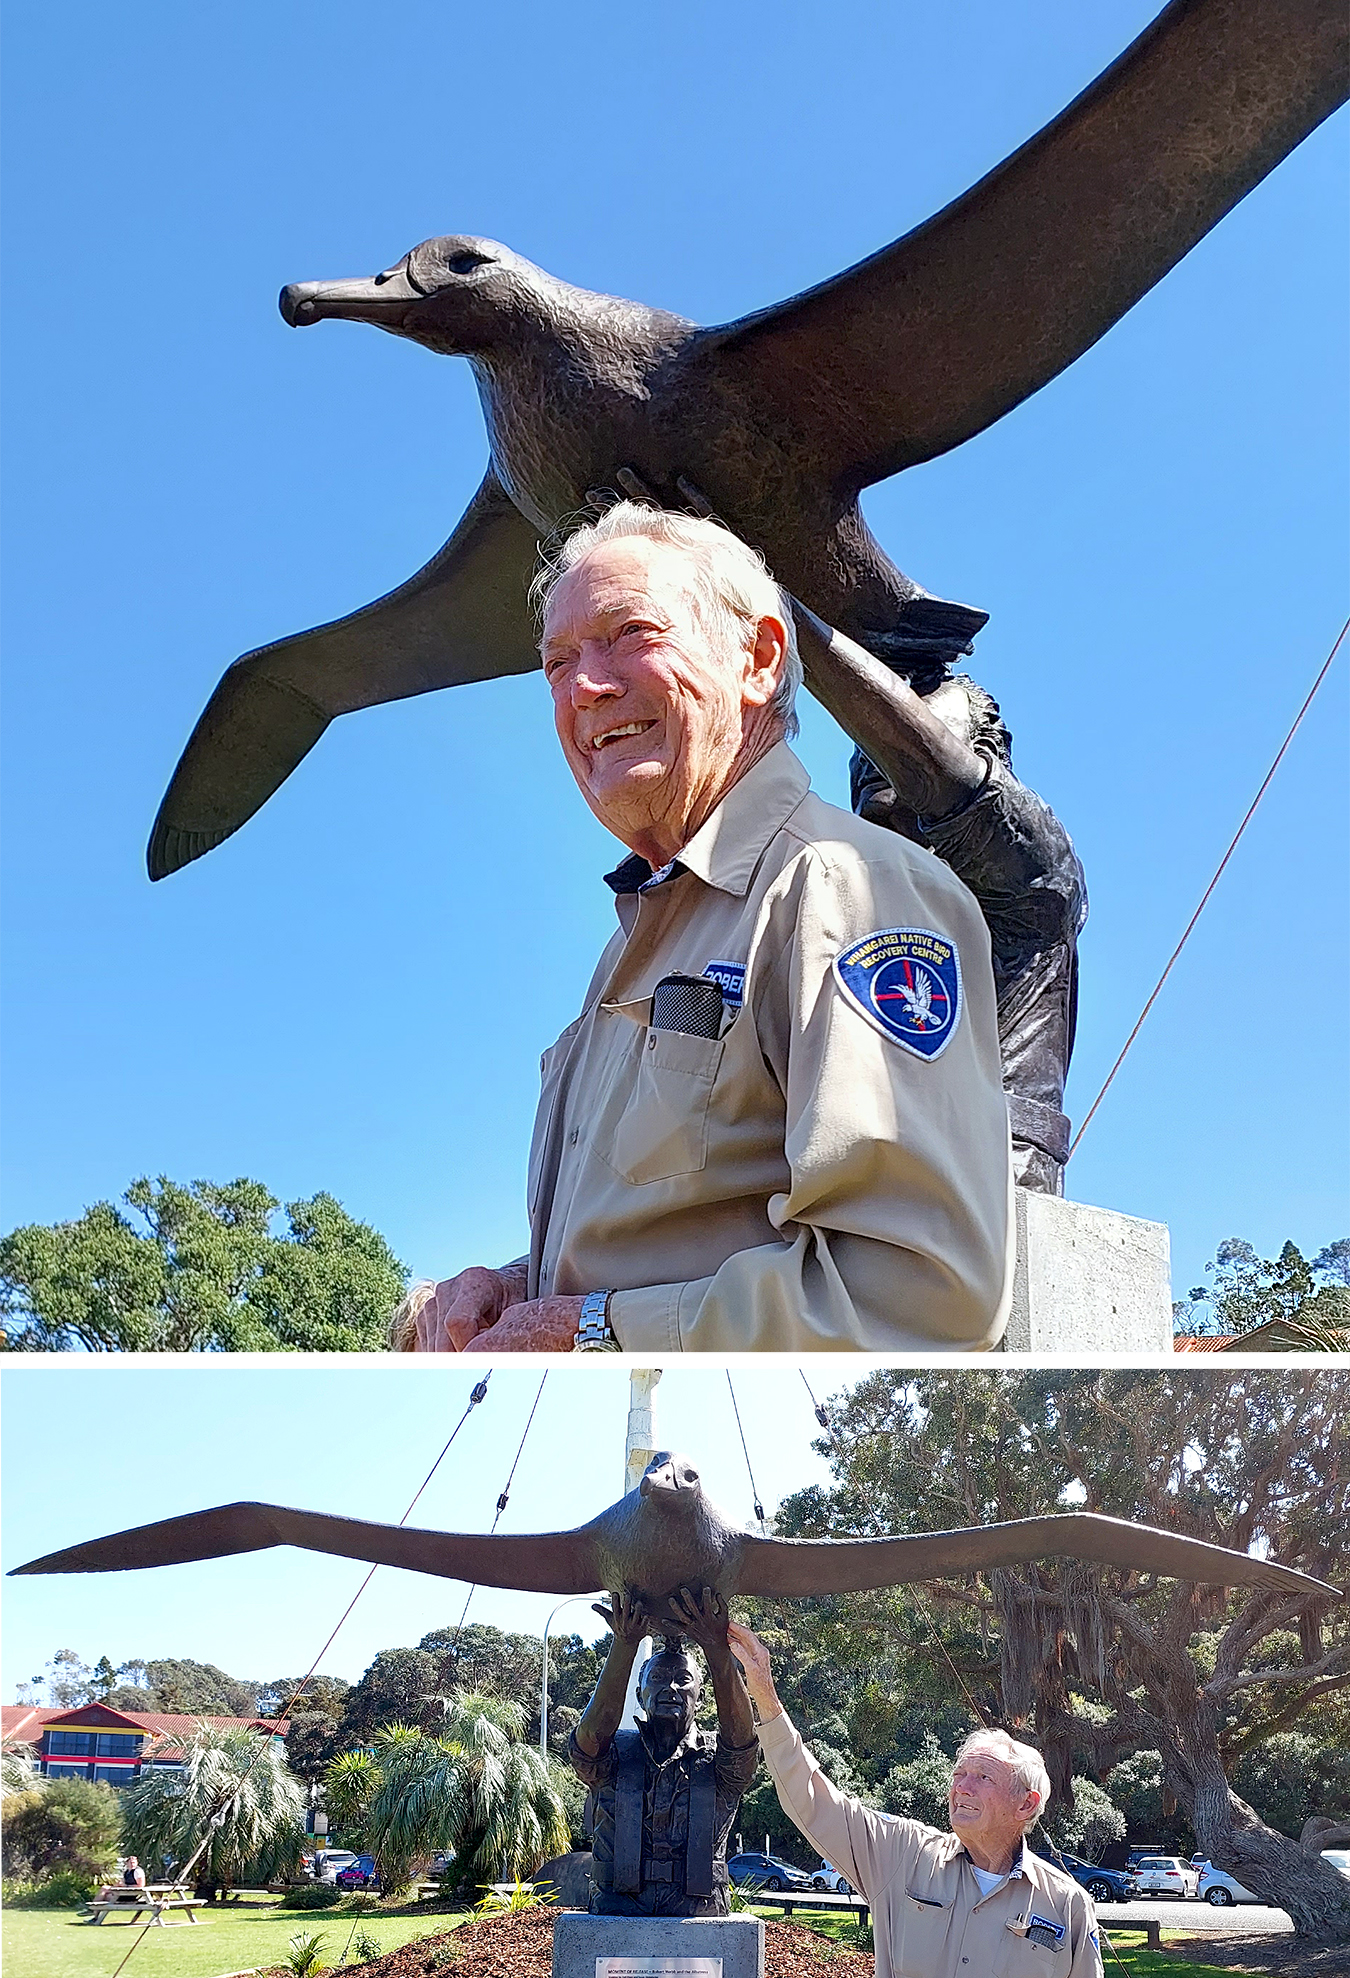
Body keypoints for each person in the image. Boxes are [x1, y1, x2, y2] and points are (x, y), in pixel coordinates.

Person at [405, 501, 1013, 1352]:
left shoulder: (843, 887)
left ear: (759, 658)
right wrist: (511, 1292)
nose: (586, 686)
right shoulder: (634, 940)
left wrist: (586, 1333)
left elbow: (917, 1295)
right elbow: (674, 1237)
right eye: (556, 661)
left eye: (629, 633)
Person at [725, 1621, 1103, 1978]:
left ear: (1025, 1804)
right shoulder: (903, 1855)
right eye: (959, 1775)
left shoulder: (1067, 1906)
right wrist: (764, 1692)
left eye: (983, 1777)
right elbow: (813, 1802)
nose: (962, 1788)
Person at [568, 1586, 758, 1916]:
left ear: (699, 1697)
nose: (670, 1687)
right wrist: (624, 1644)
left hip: (699, 1908)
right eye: (657, 1677)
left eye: (683, 1679)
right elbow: (589, 1741)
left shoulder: (717, 1762)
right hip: (618, 1907)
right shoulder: (615, 1755)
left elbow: (742, 1741)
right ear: (640, 1694)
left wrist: (716, 1648)